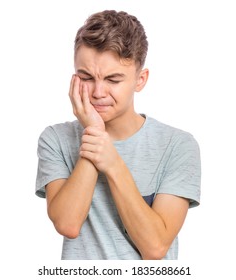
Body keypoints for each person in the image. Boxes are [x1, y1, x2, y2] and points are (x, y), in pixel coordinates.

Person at [35, 10, 201, 260]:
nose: (98, 92)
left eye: (113, 79)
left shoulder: (177, 145)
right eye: (86, 77)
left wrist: (111, 160)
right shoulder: (55, 139)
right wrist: (95, 132)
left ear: (140, 80)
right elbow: (68, 224)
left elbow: (154, 247)